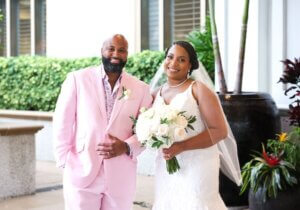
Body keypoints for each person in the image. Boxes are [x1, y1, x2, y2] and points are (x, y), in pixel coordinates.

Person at [53, 34, 153, 210]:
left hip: (121, 175)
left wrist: (127, 146)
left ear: (127, 55)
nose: (116, 53)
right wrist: (64, 161)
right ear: (102, 51)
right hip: (81, 169)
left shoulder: (141, 88)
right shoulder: (78, 79)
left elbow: (147, 130)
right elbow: (62, 122)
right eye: (111, 48)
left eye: (122, 50)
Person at [150, 41, 241, 210]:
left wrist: (182, 146)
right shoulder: (156, 94)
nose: (174, 63)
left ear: (190, 65)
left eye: (181, 60)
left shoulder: (198, 89)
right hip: (167, 164)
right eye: (170, 57)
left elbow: (219, 131)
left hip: (198, 163)